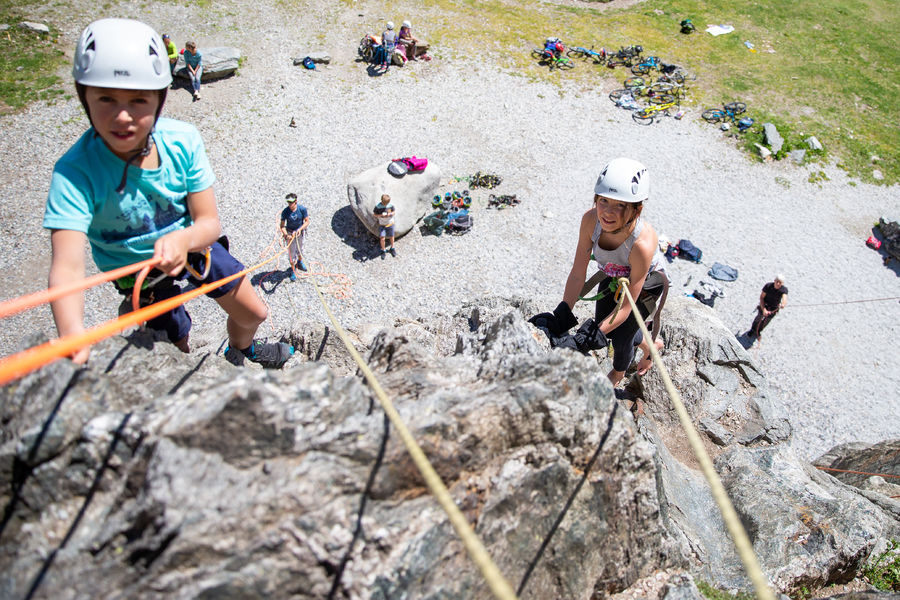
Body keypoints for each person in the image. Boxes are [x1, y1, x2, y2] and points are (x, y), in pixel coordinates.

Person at [43, 18, 293, 369]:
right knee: (176, 345)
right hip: (139, 273)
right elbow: (67, 268)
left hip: (193, 246)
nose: (123, 116)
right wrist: (72, 333)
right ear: (84, 96)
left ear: (159, 100)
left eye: (138, 100)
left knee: (254, 312)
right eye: (106, 99)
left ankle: (242, 350)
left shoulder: (182, 141)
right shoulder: (75, 173)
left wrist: (182, 240)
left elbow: (208, 223)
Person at [558, 158, 668, 387]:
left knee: (621, 337)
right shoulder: (590, 221)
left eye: (620, 205)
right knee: (605, 326)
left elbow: (626, 309)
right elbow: (578, 272)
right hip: (614, 274)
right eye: (604, 201)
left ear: (637, 209)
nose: (608, 212)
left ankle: (618, 373)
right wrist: (563, 314)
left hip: (646, 283)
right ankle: (650, 345)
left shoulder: (641, 244)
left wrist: (587, 338)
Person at [747, 275, 788, 340]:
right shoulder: (768, 286)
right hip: (764, 304)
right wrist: (764, 309)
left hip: (773, 308)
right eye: (777, 281)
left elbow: (784, 298)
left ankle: (758, 331)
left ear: (782, 283)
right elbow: (762, 297)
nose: (778, 284)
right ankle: (753, 329)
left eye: (780, 282)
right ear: (774, 281)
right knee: (758, 318)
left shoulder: (784, 290)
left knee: (766, 321)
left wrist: (783, 304)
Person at [280, 193, 309, 281]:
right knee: (291, 254)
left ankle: (300, 262)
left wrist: (300, 229)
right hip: (290, 233)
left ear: (295, 201)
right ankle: (293, 269)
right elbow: (282, 226)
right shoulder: (285, 212)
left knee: (300, 249)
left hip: (299, 233)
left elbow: (307, 221)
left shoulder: (302, 209)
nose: (289, 204)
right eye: (288, 202)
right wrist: (286, 235)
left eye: (291, 202)